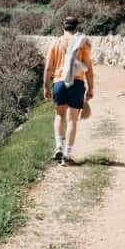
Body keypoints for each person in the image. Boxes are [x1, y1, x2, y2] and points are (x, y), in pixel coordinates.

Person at [43, 16, 94, 166]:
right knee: (72, 120)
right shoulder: (83, 44)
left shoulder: (55, 43)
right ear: (76, 26)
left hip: (59, 83)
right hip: (77, 84)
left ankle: (58, 146)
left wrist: (46, 86)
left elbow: (48, 68)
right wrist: (90, 88)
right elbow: (89, 69)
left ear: (63, 26)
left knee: (59, 115)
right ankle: (67, 154)